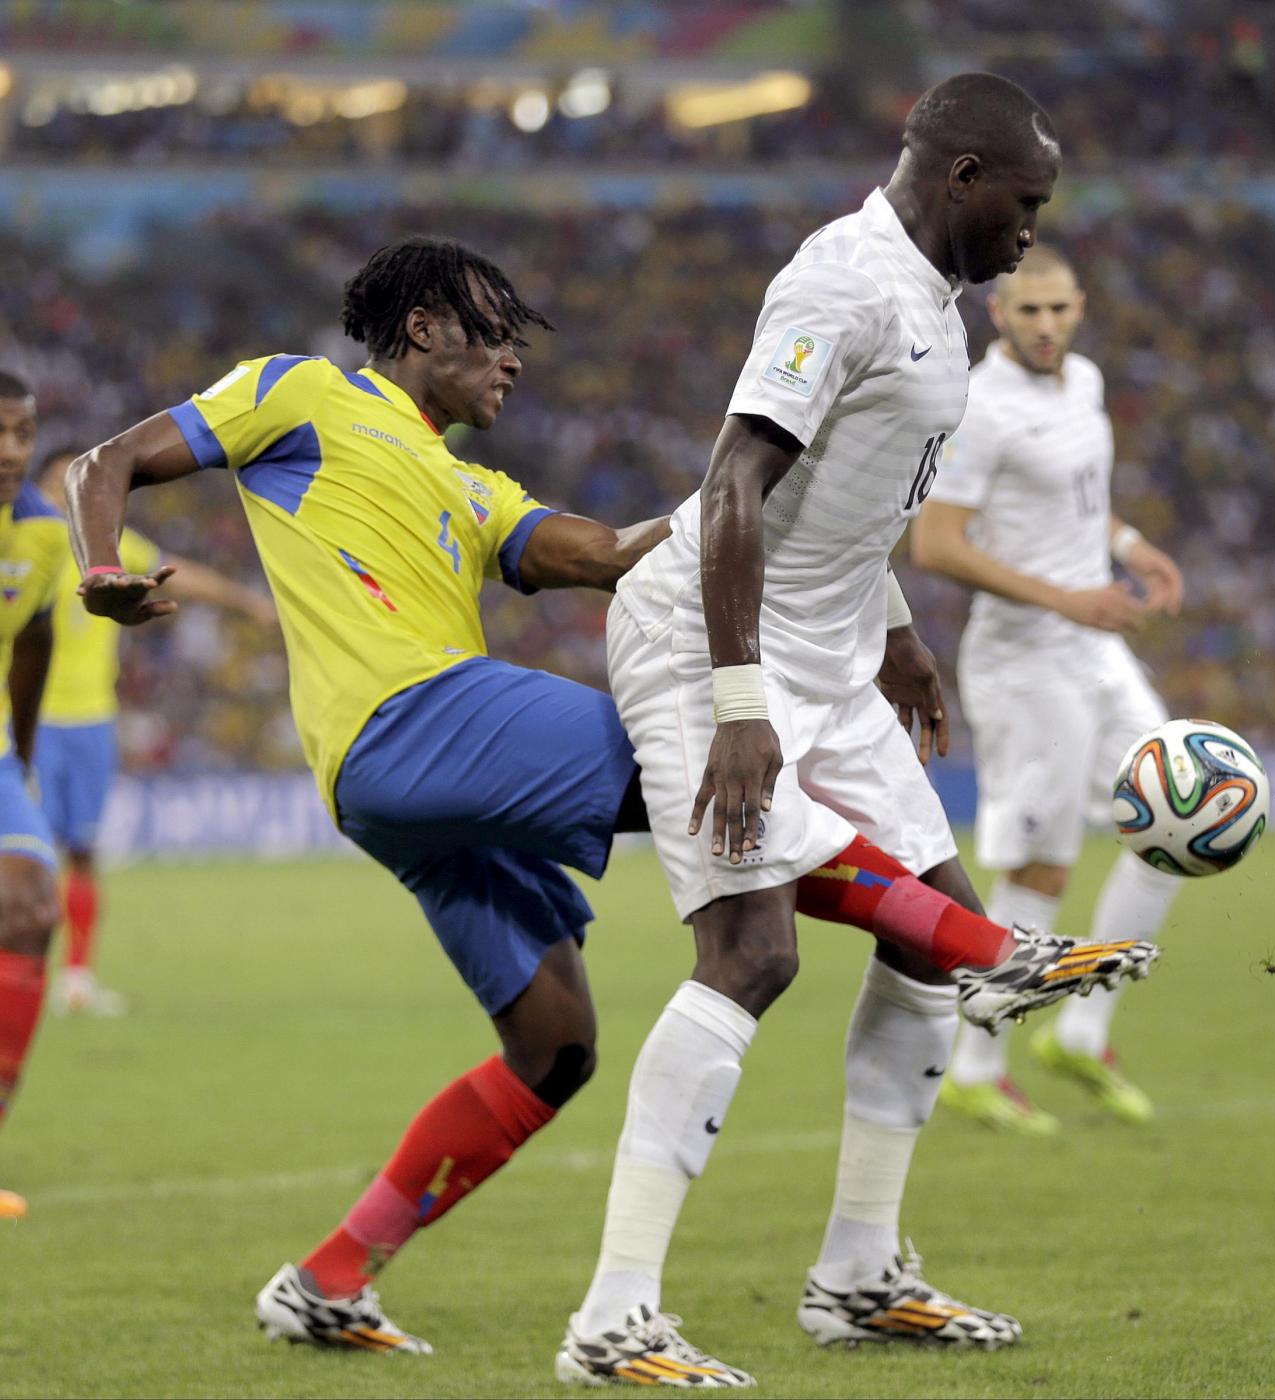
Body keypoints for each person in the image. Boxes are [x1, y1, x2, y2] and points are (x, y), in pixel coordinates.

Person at [64, 234, 1087, 1357]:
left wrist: (770, 493)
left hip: (405, 786)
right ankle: (984, 947)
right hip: (411, 716)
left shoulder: (473, 488)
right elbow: (104, 461)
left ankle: (327, 1278)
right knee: (709, 765)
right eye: (495, 335)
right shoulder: (299, 392)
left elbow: (609, 552)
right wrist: (101, 567)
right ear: (423, 328)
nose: (514, 359)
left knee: (554, 1044)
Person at [558, 74, 1158, 1389]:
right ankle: (612, 1315)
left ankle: (858, 1275)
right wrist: (737, 705)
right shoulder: (840, 283)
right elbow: (734, 484)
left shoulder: (937, 303)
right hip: (708, 640)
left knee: (936, 954)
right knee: (751, 952)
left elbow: (846, 498)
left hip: (831, 654)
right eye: (1024, 203)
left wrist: (891, 629)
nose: (1031, 232)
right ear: (962, 177)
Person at [910, 242, 1186, 1134]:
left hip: (1095, 648)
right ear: (997, 314)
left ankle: (1081, 1031)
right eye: (1027, 310)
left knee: (1174, 820)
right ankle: (974, 1068)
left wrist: (1130, 545)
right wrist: (1069, 598)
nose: (1044, 325)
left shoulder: (1085, 383)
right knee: (1041, 863)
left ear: (1078, 308)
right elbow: (935, 544)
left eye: (1058, 309)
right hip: (1025, 659)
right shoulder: (978, 406)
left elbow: (1077, 500)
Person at [33, 446, 279, 1016]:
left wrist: (246, 600)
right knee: (26, 855)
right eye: (56, 483)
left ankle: (76, 980)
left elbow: (177, 572)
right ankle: (21, 973)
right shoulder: (22, 545)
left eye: (75, 485)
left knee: (83, 852)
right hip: (31, 721)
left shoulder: (106, 548)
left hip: (92, 722)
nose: (66, 497)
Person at [0, 373, 72, 1222]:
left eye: (23, 432)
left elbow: (35, 639)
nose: (12, 451)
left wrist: (19, 756)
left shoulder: (45, 532)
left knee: (29, 909)